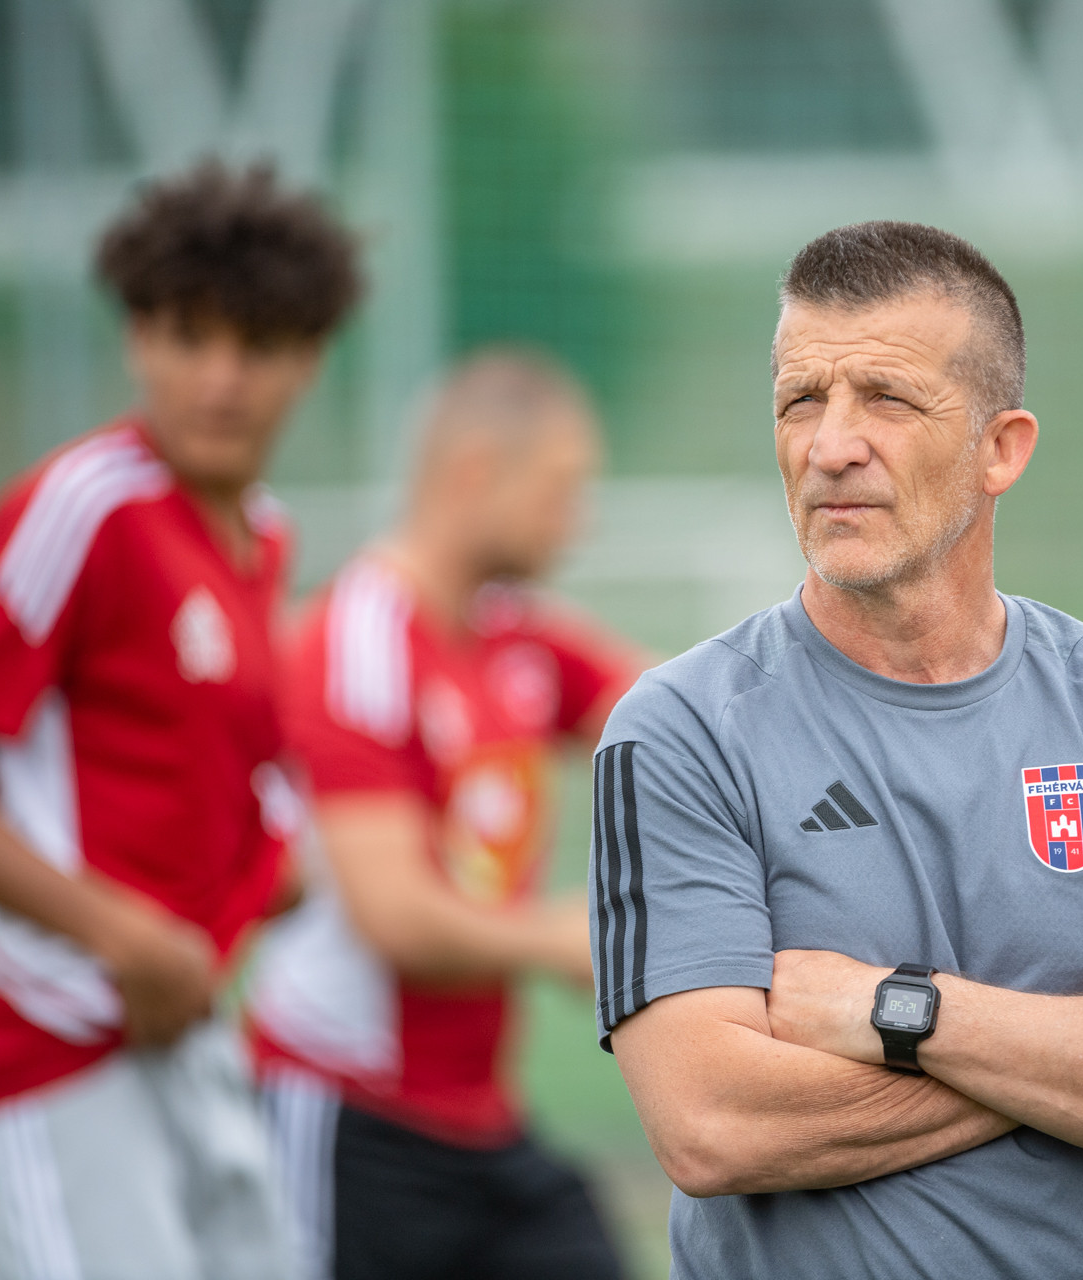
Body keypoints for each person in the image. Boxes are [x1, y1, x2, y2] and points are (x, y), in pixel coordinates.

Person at [588, 221, 1083, 1279]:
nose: (831, 444)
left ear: (1000, 448)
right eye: (801, 400)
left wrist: (896, 1011)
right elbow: (713, 1125)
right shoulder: (680, 732)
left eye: (886, 398)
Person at [0, 159, 361, 1280]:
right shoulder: (84, 508)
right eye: (189, 336)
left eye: (259, 344)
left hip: (184, 1046)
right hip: (46, 1059)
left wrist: (270, 863)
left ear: (310, 357)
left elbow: (207, 759)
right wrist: (120, 934)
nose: (221, 379)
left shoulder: (265, 535)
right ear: (139, 336)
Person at [246, 349, 644, 1280]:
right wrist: (567, 939)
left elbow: (667, 713)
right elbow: (396, 915)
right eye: (559, 491)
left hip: (476, 1117)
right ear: (473, 473)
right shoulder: (358, 642)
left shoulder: (509, 630)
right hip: (347, 1116)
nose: (575, 521)